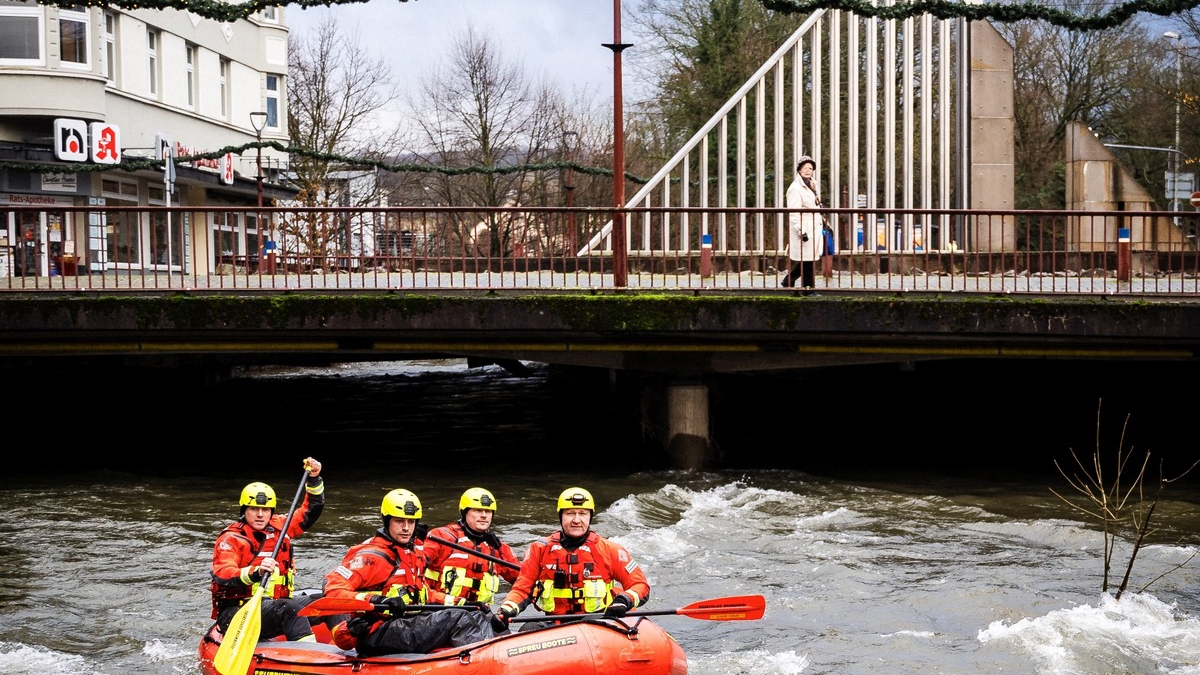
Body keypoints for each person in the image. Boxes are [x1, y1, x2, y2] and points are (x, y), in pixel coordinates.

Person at [323, 488, 497, 655]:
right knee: (459, 619)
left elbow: (424, 594)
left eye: (411, 522)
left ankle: (493, 655)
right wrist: (375, 599)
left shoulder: (412, 553)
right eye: (400, 521)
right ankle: (481, 661)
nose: (406, 527)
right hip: (378, 632)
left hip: (405, 623)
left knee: (474, 613)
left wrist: (463, 603)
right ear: (387, 520)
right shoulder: (371, 556)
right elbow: (333, 590)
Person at [493, 487, 650, 631]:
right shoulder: (539, 549)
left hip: (598, 622)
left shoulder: (611, 550)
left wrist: (624, 600)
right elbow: (522, 588)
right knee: (527, 629)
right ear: (561, 516)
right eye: (570, 513)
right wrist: (506, 609)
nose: (576, 520)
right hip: (554, 622)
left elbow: (639, 585)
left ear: (590, 517)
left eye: (582, 514)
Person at [209, 457, 325, 642]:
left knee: (327, 601)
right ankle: (310, 659)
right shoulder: (231, 539)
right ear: (244, 510)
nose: (260, 514)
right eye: (254, 509)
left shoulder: (281, 526)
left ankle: (348, 647)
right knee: (290, 609)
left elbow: (312, 509)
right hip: (239, 611)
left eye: (265, 509)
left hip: (275, 605)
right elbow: (223, 572)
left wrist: (313, 478)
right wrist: (257, 571)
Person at [423, 487, 520, 605]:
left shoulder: (497, 548)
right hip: (438, 610)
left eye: (488, 511)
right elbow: (413, 570)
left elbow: (522, 580)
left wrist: (500, 548)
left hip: (479, 614)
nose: (484, 515)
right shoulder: (442, 537)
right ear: (465, 513)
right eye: (478, 510)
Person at [782, 155, 825, 292]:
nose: (808, 171)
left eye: (810, 168)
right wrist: (801, 230)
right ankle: (808, 289)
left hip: (814, 226)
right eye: (805, 168)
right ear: (799, 170)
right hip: (805, 228)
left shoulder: (813, 184)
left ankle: (789, 280)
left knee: (809, 259)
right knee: (807, 261)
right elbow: (793, 212)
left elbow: (815, 204)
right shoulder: (795, 188)